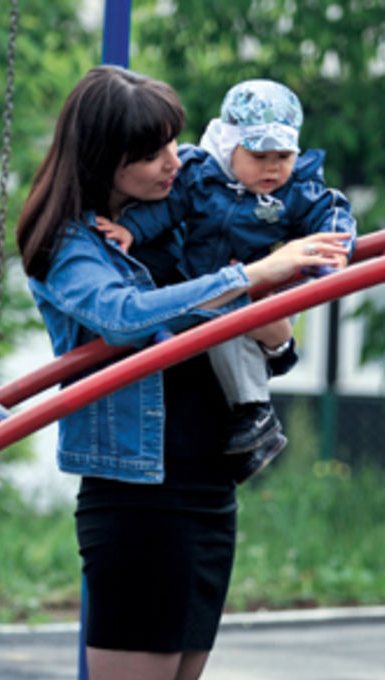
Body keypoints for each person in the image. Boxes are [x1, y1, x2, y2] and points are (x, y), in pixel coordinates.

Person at [16, 65, 349, 680]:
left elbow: (262, 342)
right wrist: (257, 275)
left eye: (173, 142)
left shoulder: (182, 216)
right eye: (153, 151)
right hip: (139, 494)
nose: (177, 159)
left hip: (204, 484)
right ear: (105, 159)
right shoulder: (69, 244)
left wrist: (273, 322)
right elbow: (125, 316)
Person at [98, 79, 356, 480]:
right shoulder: (199, 176)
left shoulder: (295, 190)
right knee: (202, 318)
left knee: (231, 324)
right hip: (203, 281)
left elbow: (333, 213)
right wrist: (131, 229)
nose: (272, 167)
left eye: (283, 155)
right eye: (259, 155)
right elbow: (166, 211)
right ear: (228, 145)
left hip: (255, 287)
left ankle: (255, 411)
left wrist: (336, 250)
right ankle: (249, 401)